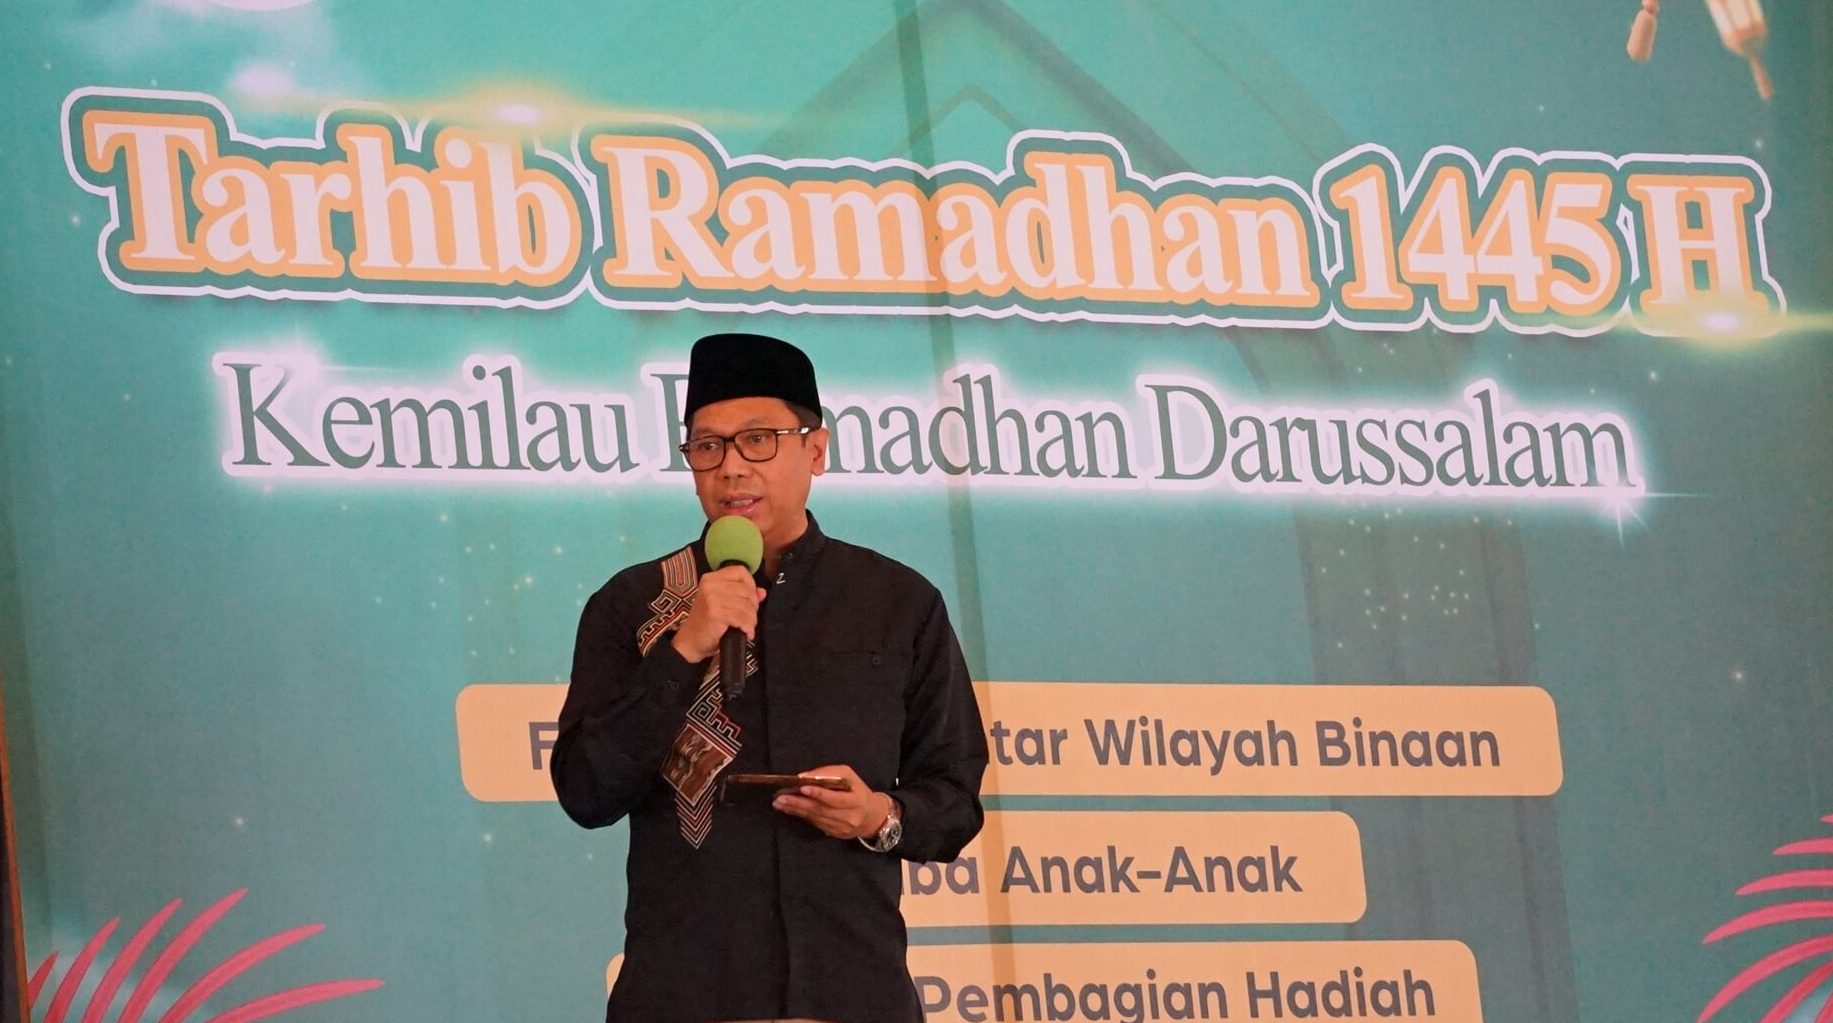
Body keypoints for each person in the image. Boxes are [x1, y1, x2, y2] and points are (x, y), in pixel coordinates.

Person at [551, 332, 989, 1023]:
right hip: (685, 997)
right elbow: (586, 790)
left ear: (816, 449)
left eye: (758, 440)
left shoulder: (896, 602)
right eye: (707, 446)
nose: (731, 468)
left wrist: (879, 817)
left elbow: (954, 799)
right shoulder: (634, 604)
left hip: (852, 991)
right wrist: (683, 650)